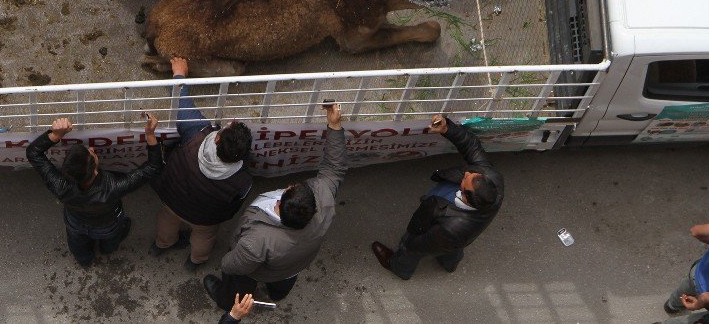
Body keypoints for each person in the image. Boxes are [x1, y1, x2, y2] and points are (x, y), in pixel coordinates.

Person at [204, 103, 346, 310]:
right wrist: (334, 127)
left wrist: (226, 259)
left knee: (236, 287)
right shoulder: (324, 200)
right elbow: (335, 167)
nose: (289, 185)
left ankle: (225, 300)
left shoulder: (257, 242)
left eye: (290, 189)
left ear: (279, 204)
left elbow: (232, 265)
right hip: (293, 265)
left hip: (257, 270)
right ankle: (277, 293)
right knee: (285, 278)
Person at [370, 114, 504, 279]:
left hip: (444, 232)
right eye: (470, 174)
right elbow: (472, 147)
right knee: (453, 247)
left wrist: (407, 243)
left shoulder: (451, 229)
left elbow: (420, 244)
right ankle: (449, 264)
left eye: (465, 179)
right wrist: (448, 128)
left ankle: (399, 268)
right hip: (456, 236)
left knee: (413, 250)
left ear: (466, 196)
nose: (468, 172)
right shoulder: (491, 179)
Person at [151, 57, 253, 270]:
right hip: (205, 217)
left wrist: (179, 73)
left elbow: (183, 102)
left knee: (167, 221)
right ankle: (196, 261)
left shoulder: (195, 134)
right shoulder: (242, 179)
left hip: (172, 199)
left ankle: (162, 244)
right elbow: (236, 202)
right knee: (203, 237)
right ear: (242, 155)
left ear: (217, 138)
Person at [26, 114, 164, 267]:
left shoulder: (59, 186)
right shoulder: (113, 187)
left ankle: (84, 260)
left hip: (75, 223)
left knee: (76, 242)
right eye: (91, 153)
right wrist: (150, 135)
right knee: (112, 238)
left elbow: (33, 153)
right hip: (107, 225)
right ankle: (107, 250)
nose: (91, 148)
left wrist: (55, 135)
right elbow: (153, 167)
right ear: (95, 171)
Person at [662, 221, 709, 323]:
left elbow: (695, 231)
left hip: (696, 272)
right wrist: (695, 306)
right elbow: (705, 298)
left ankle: (671, 306)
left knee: (682, 290)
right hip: (708, 290)